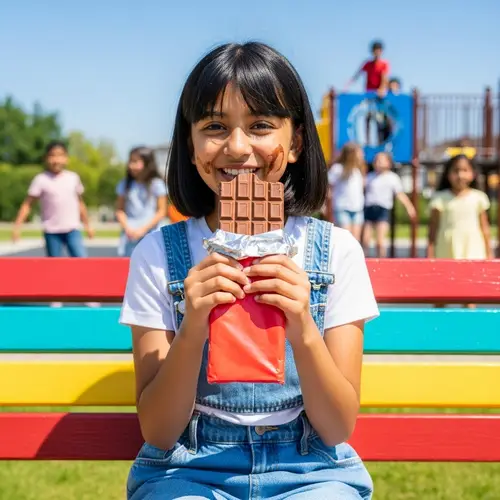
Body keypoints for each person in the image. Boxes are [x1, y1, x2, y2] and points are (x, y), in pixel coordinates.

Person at [119, 42, 379, 500]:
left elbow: (338, 425)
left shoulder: (336, 252)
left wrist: (301, 325)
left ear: (296, 141)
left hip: (310, 470)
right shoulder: (158, 255)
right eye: (214, 127)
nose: (237, 148)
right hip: (188, 469)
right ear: (190, 143)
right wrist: (194, 322)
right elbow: (159, 431)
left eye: (260, 125)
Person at [12, 140, 94, 256]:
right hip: (52, 232)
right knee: (54, 267)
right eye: (52, 156)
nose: (56, 160)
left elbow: (80, 203)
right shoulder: (41, 180)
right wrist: (17, 227)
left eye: (60, 156)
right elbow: (27, 205)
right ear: (46, 158)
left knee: (81, 262)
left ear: (66, 158)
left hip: (72, 229)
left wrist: (88, 225)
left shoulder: (73, 178)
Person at [428, 154, 492, 260]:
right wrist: (430, 252)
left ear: (472, 174)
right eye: (455, 171)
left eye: (465, 170)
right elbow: (433, 228)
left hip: (473, 249)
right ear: (448, 174)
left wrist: (489, 252)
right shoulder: (439, 198)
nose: (460, 175)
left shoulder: (479, 198)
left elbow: (484, 227)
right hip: (446, 250)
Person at [115, 146, 167, 257]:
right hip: (130, 234)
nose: (131, 165)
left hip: (152, 232)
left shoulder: (156, 184)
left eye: (135, 161)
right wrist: (127, 228)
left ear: (147, 163)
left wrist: (143, 229)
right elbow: (120, 210)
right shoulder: (125, 184)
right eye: (130, 161)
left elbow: (161, 211)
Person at [362, 152, 416, 257]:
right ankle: (365, 262)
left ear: (388, 163)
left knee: (380, 242)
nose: (378, 163)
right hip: (369, 209)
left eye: (381, 160)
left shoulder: (392, 177)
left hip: (383, 210)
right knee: (365, 240)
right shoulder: (370, 177)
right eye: (376, 160)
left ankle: (381, 262)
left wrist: (409, 207)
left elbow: (400, 194)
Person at [327, 142, 366, 241]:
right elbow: (328, 186)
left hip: (357, 208)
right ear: (351, 154)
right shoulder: (338, 168)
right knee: (346, 237)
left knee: (356, 239)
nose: (362, 155)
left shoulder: (359, 169)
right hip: (342, 207)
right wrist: (326, 203)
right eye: (359, 152)